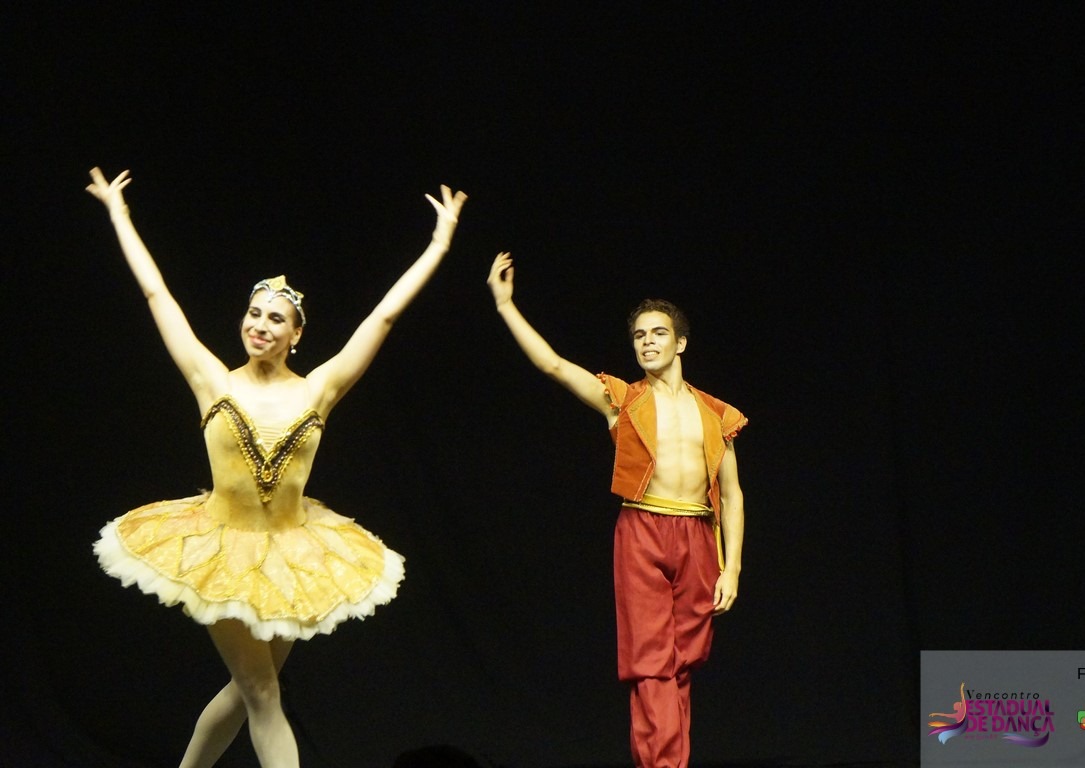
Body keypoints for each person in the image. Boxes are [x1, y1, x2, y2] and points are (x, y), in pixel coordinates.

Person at [87, 167, 467, 768]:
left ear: (296, 334)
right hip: (222, 551)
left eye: (274, 319)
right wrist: (119, 216)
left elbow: (383, 318)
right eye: (253, 313)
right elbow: (158, 294)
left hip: (295, 557)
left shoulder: (318, 390)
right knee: (263, 692)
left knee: (248, 690)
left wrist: (439, 245)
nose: (259, 325)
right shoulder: (209, 378)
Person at [485, 251, 747, 768]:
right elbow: (553, 365)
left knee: (681, 665)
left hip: (696, 534)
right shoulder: (622, 400)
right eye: (639, 336)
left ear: (680, 343)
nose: (647, 342)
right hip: (643, 528)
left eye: (658, 333)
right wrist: (505, 305)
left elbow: (733, 494)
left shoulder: (716, 413)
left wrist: (732, 565)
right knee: (651, 664)